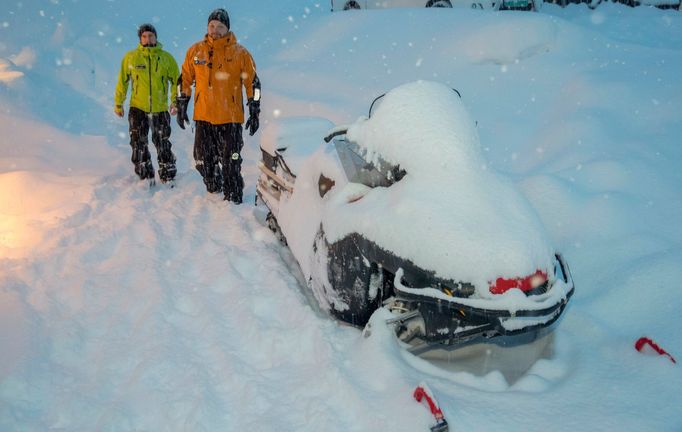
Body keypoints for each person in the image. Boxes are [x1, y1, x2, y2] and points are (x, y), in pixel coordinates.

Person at [177, 8, 261, 203]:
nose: (215, 30)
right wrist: (182, 103)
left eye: (220, 26)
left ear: (227, 29)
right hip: (204, 117)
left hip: (230, 120)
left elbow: (253, 84)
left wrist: (254, 109)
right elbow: (184, 80)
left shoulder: (240, 53)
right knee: (202, 159)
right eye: (212, 26)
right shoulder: (195, 51)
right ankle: (214, 185)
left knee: (231, 160)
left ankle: (233, 196)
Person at [114, 23, 179, 186]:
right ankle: (145, 175)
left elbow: (177, 82)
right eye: (144, 36)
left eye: (150, 35)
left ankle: (168, 174)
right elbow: (122, 81)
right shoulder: (131, 57)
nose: (147, 38)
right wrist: (118, 103)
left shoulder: (166, 58)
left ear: (156, 37)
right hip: (138, 109)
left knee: (163, 142)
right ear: (140, 39)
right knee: (137, 142)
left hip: (160, 109)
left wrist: (175, 102)